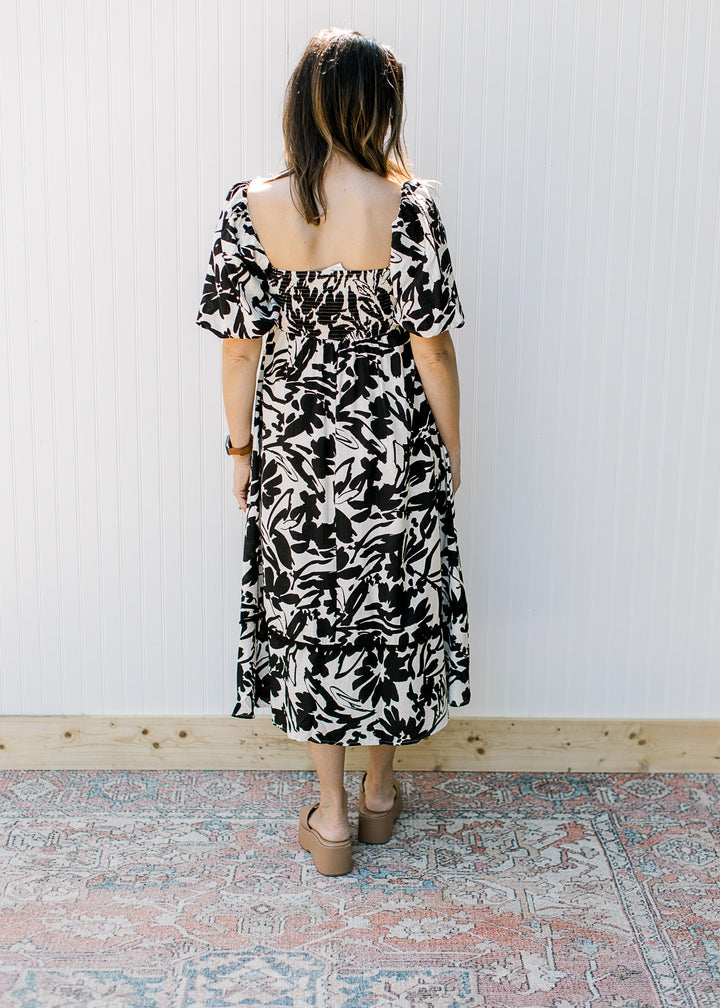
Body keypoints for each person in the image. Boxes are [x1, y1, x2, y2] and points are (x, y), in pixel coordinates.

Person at [196, 28, 471, 876]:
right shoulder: (410, 204)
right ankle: (382, 797)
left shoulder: (252, 204)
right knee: (389, 609)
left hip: (300, 449)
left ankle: (334, 817)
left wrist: (240, 448)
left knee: (315, 613)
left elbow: (240, 347)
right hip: (394, 443)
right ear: (379, 107)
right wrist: (450, 454)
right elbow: (432, 346)